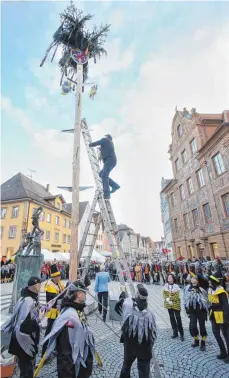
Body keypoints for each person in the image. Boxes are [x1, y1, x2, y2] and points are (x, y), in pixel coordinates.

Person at [41, 280, 95, 378]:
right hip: (74, 371)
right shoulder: (70, 317)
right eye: (84, 292)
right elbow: (65, 354)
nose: (86, 295)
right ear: (78, 294)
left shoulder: (78, 310)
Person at [115, 284, 157, 378]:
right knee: (144, 369)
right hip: (145, 346)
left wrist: (122, 292)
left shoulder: (128, 306)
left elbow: (124, 301)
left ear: (137, 294)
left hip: (130, 344)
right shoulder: (151, 315)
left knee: (126, 365)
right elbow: (153, 334)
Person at [2, 276, 41, 378]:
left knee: (26, 370)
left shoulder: (25, 298)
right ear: (35, 286)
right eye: (39, 284)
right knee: (26, 372)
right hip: (24, 344)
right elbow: (24, 326)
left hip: (21, 344)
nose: (40, 286)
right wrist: (39, 319)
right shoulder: (29, 301)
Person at [41, 264, 65, 356]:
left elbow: (63, 293)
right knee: (49, 332)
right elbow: (55, 299)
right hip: (53, 312)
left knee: (58, 331)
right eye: (58, 276)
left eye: (59, 276)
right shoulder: (50, 285)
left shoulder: (58, 283)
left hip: (59, 311)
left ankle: (55, 349)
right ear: (54, 277)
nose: (60, 277)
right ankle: (44, 352)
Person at [89, 134, 120, 199]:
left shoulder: (105, 140)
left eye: (105, 136)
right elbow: (102, 147)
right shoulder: (109, 143)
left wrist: (89, 144)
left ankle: (107, 194)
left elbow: (97, 143)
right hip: (112, 161)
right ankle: (115, 185)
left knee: (104, 176)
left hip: (109, 160)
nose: (104, 137)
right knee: (101, 174)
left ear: (107, 137)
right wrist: (100, 149)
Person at [208, 273, 229, 363]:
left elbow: (225, 306)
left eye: (210, 280)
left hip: (222, 317)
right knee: (216, 334)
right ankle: (223, 351)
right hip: (214, 316)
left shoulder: (221, 292)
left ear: (214, 282)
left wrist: (226, 319)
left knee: (227, 337)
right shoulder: (210, 290)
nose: (209, 281)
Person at [184, 274, 208, 351]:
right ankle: (196, 340)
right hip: (192, 311)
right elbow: (185, 298)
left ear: (197, 280)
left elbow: (206, 300)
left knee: (202, 327)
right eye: (192, 278)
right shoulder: (187, 288)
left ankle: (203, 342)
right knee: (193, 327)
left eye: (194, 278)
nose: (192, 279)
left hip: (201, 311)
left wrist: (206, 311)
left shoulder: (202, 289)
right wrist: (186, 308)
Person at [163, 273, 184, 341]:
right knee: (172, 318)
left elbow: (176, 296)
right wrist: (168, 299)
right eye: (168, 277)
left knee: (178, 318)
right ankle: (175, 332)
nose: (169, 278)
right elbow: (164, 294)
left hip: (176, 304)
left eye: (171, 277)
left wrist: (170, 299)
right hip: (169, 304)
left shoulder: (176, 286)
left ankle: (181, 333)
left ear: (173, 279)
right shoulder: (165, 286)